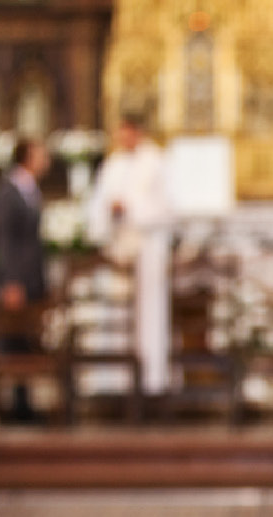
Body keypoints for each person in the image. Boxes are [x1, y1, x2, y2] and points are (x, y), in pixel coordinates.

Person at [88, 114, 174, 400]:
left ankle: (151, 379)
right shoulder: (113, 165)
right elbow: (97, 205)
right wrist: (108, 213)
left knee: (148, 318)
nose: (122, 139)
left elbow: (168, 207)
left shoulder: (156, 162)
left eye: (126, 133)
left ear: (138, 132)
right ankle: (112, 381)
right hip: (118, 250)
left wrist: (131, 207)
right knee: (113, 316)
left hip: (148, 251)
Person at [0, 138, 51, 420]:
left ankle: (25, 402)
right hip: (17, 279)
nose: (46, 159)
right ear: (27, 156)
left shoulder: (30, 188)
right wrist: (11, 282)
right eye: (41, 153)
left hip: (33, 276)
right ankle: (13, 406)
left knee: (27, 339)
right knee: (13, 339)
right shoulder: (8, 191)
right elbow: (5, 241)